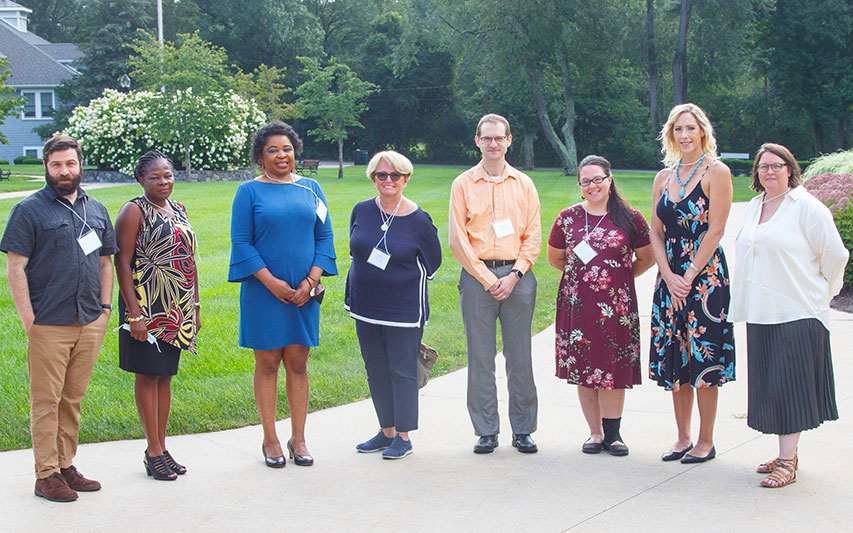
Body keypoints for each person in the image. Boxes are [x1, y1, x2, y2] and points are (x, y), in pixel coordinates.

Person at [1, 135, 116, 502]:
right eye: (56, 165)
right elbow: (15, 267)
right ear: (46, 168)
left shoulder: (95, 208)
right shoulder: (29, 211)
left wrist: (106, 308)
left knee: (73, 398)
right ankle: (45, 474)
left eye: (70, 163)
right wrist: (29, 320)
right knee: (46, 400)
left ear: (80, 165)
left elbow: (104, 262)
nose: (64, 171)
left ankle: (66, 465)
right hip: (48, 323)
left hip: (89, 320)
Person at [731, 143, 848, 488]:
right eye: (763, 167)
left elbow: (836, 256)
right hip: (761, 311)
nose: (769, 172)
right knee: (771, 387)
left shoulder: (808, 208)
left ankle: (787, 461)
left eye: (776, 166)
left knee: (789, 387)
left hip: (798, 311)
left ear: (790, 169)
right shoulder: (755, 206)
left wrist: (823, 294)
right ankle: (785, 453)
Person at [229, 121, 337, 468]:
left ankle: (299, 437)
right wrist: (272, 283)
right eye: (273, 149)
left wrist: (311, 281)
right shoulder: (249, 192)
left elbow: (325, 238)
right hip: (264, 293)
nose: (281, 155)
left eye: (287, 148)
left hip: (304, 294)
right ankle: (271, 439)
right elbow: (242, 243)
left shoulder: (312, 188)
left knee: (298, 363)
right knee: (267, 362)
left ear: (296, 152)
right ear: (261, 154)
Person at [547, 155, 654, 456]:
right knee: (585, 367)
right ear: (580, 186)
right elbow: (556, 258)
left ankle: (614, 435)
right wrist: (586, 280)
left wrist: (618, 277)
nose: (592, 185)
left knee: (613, 366)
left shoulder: (630, 217)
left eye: (597, 179)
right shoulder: (568, 218)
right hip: (578, 304)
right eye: (586, 181)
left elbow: (646, 256)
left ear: (609, 180)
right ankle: (594, 433)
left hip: (617, 307)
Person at [449, 113, 541, 455]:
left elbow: (532, 236)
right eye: (486, 138)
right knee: (480, 357)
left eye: (498, 138)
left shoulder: (524, 184)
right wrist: (489, 279)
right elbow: (458, 239)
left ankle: (523, 428)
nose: (493, 144)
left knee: (520, 356)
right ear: (477, 141)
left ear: (508, 140)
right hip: (477, 279)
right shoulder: (462, 184)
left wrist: (515, 275)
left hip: (519, 278)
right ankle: (486, 429)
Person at [649, 103, 735, 464]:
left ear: (702, 131)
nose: (685, 135)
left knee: (704, 359)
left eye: (690, 128)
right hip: (669, 277)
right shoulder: (663, 178)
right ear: (672, 134)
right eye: (678, 129)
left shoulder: (717, 172)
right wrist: (668, 275)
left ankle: (705, 440)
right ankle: (682, 436)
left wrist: (687, 275)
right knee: (676, 358)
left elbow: (715, 229)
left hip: (705, 279)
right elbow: (655, 230)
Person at [346, 151, 442, 460]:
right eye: (381, 175)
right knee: (375, 369)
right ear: (373, 178)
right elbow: (356, 249)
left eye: (394, 176)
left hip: (403, 311)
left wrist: (398, 280)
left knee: (402, 371)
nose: (388, 181)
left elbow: (434, 263)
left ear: (405, 179)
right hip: (365, 305)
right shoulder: (361, 211)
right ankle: (385, 430)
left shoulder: (419, 219)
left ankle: (403, 436)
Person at [114, 150, 199, 481]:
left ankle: (162, 448)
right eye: (155, 177)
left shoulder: (178, 209)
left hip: (175, 310)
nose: (164, 181)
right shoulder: (134, 210)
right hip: (146, 309)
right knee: (147, 376)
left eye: (168, 175)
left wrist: (194, 306)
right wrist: (134, 314)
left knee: (164, 377)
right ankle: (152, 452)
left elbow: (188, 259)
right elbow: (122, 262)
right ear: (141, 180)